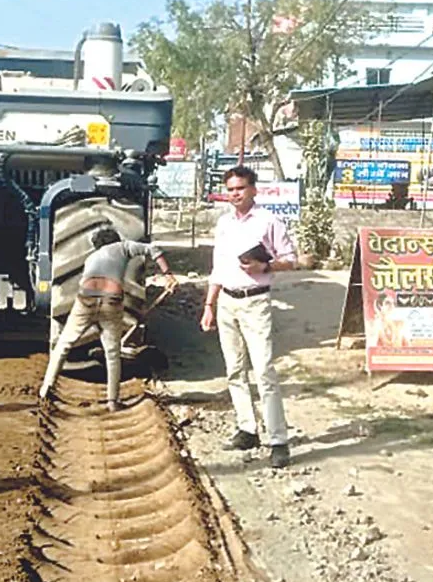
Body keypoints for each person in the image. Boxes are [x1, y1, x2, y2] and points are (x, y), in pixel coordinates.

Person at [200, 165, 299, 469]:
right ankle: (247, 429)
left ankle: (278, 440)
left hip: (255, 303)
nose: (235, 194)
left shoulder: (268, 221)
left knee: (264, 371)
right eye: (230, 189)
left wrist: (265, 268)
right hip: (228, 302)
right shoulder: (224, 224)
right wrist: (209, 304)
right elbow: (217, 266)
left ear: (254, 189)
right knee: (234, 370)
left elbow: (292, 259)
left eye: (240, 188)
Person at [39, 226, 177, 411]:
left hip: (85, 300)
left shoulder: (91, 258)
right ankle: (112, 402)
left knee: (64, 344)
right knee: (112, 353)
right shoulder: (123, 247)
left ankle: (45, 391)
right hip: (111, 301)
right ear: (115, 239)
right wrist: (168, 275)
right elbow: (152, 249)